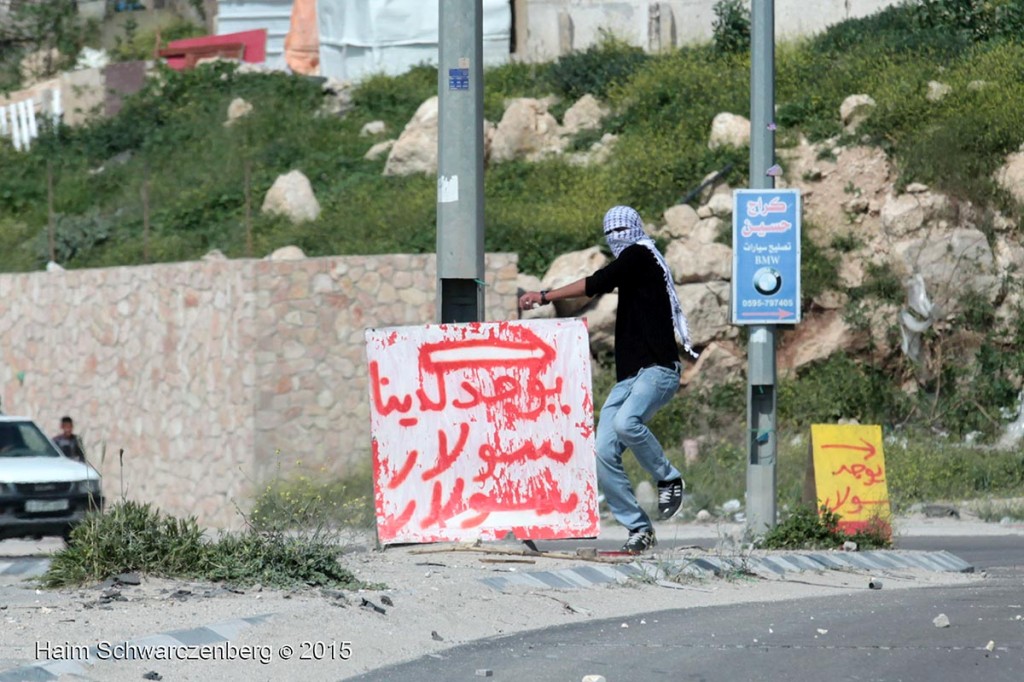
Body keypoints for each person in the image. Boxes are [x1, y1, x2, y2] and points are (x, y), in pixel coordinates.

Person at [518, 205, 698, 554]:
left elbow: (595, 284)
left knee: (628, 423)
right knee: (601, 450)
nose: (616, 239)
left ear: (634, 230)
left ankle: (668, 477)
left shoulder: (640, 256)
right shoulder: (635, 267)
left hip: (659, 370)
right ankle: (638, 528)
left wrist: (544, 297)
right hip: (630, 378)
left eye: (620, 231)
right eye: (610, 234)